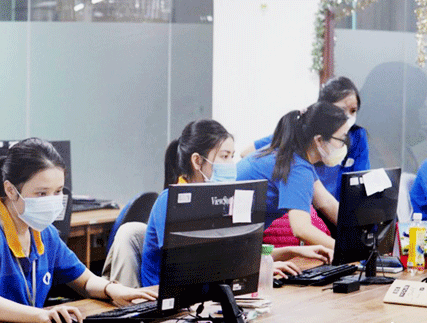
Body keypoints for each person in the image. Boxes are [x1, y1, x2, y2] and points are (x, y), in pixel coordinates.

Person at [0, 138, 155, 323]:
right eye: (41, 193)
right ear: (10, 190)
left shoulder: (45, 234)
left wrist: (114, 290)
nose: (52, 200)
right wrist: (40, 315)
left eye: (57, 192)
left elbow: (85, 281)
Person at [139, 119, 332, 287]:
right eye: (224, 157)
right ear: (197, 161)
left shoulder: (218, 202)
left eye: (232, 156)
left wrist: (290, 251)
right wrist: (256, 268)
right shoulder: (171, 202)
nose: (231, 164)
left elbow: (229, 258)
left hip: (206, 299)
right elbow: (190, 268)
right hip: (167, 310)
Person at [237, 102, 348, 250]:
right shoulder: (297, 168)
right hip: (229, 243)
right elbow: (301, 229)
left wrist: (361, 231)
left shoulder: (289, 152)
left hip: (233, 239)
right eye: (341, 139)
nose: (344, 145)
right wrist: (348, 250)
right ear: (319, 140)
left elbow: (326, 202)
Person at [240, 76, 370, 200]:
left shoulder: (357, 135)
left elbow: (361, 179)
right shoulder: (300, 135)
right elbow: (247, 153)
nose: (347, 117)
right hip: (307, 204)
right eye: (341, 110)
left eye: (353, 111)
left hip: (333, 207)